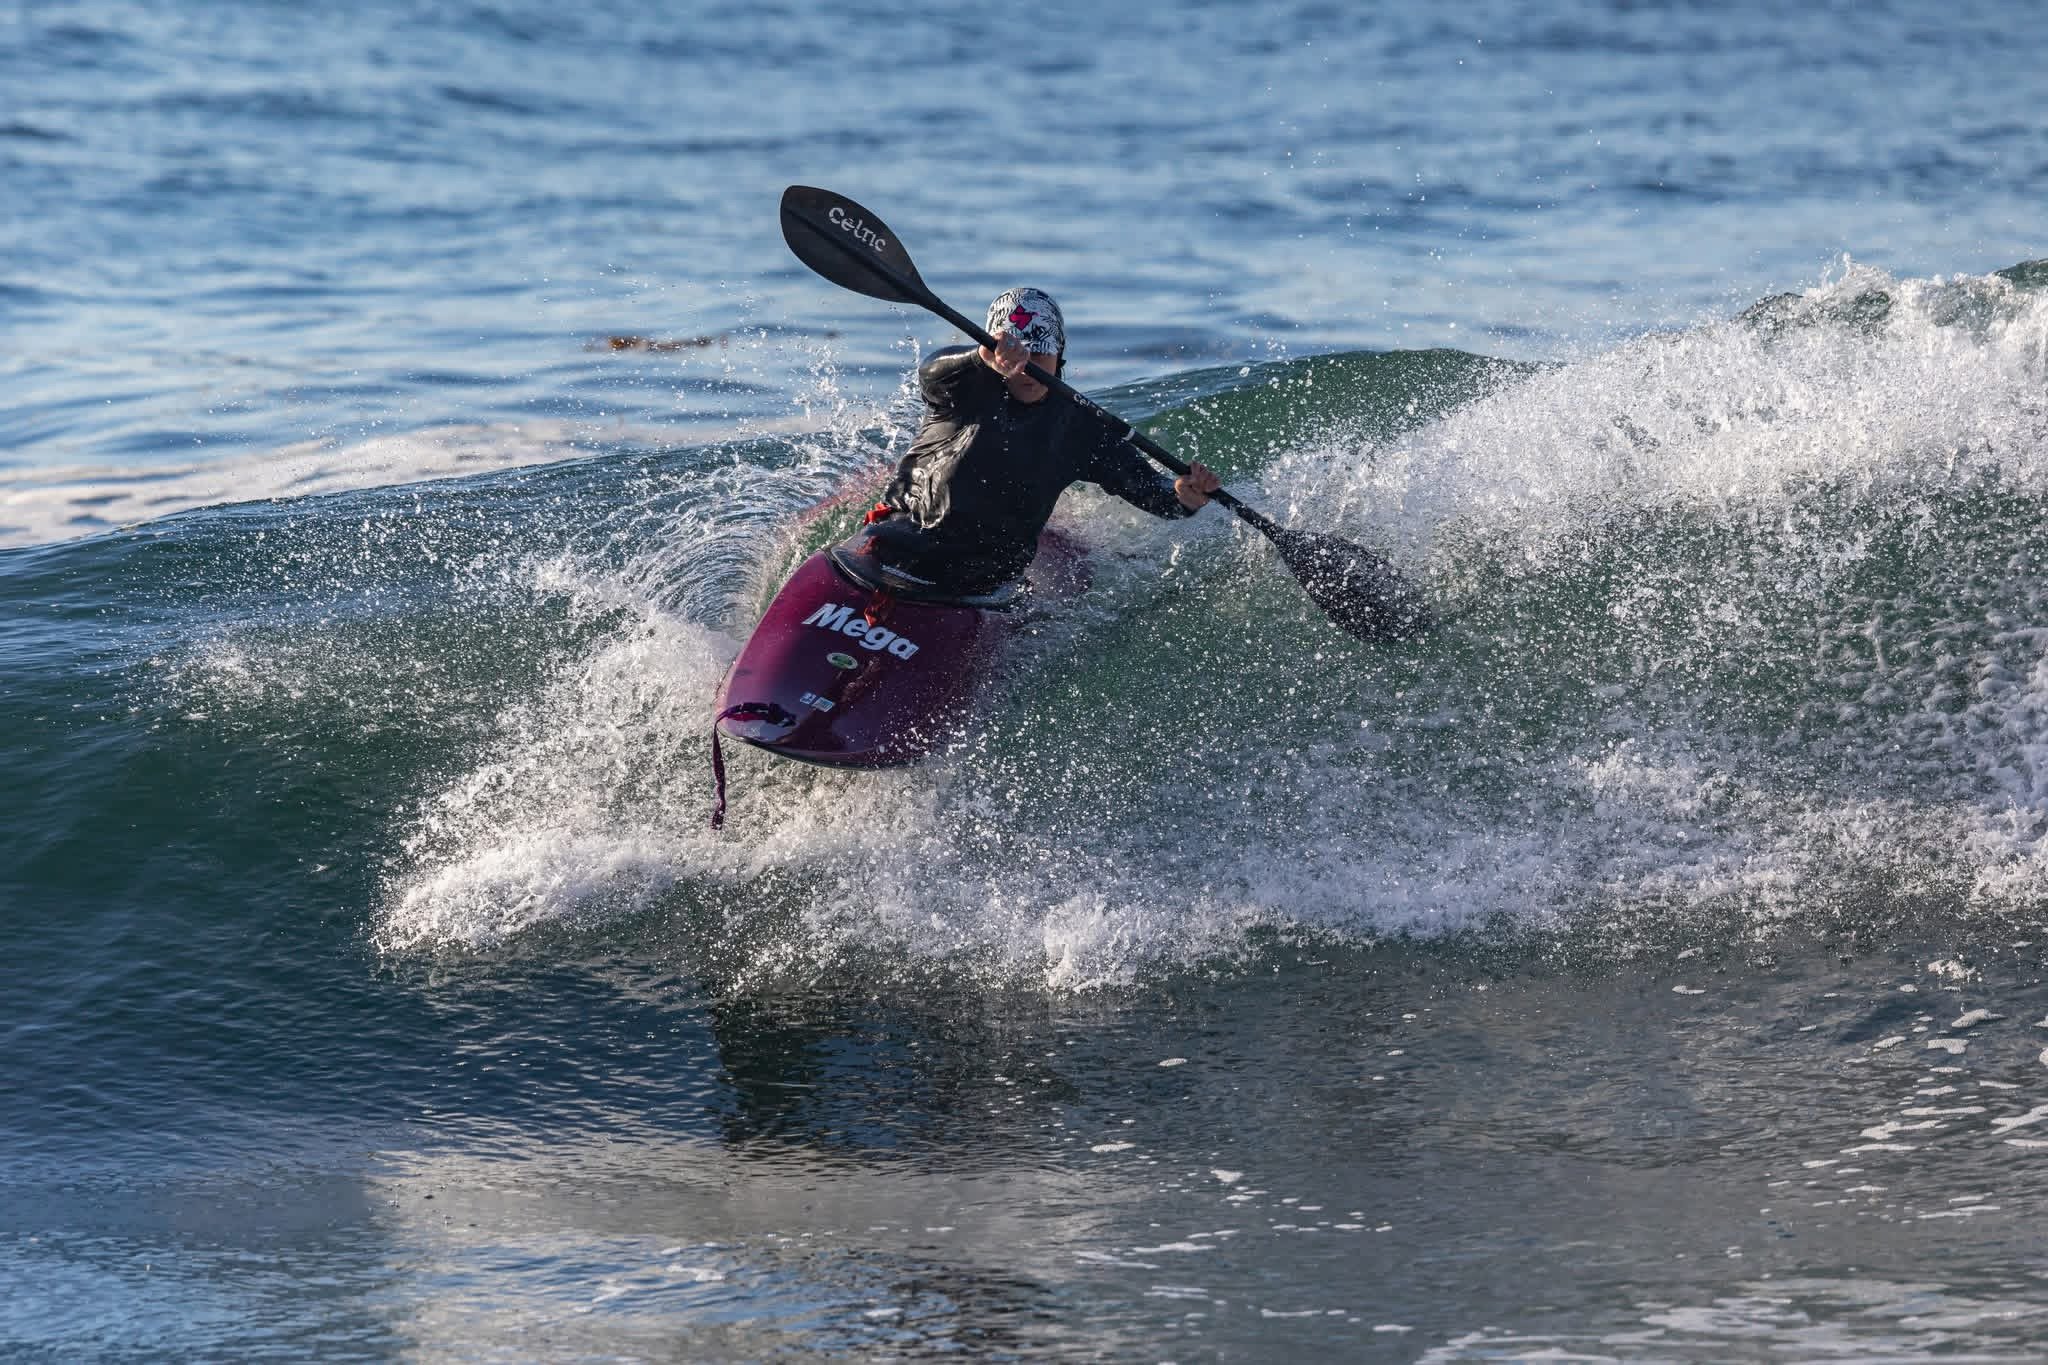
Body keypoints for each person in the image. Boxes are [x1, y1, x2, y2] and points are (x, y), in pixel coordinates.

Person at [841, 287, 1221, 600]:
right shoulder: (965, 388)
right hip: (886, 555)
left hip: (979, 588)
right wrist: (980, 358)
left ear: (1059, 353)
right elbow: (931, 372)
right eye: (1015, 355)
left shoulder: (1080, 427)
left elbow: (1149, 489)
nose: (1028, 368)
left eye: (1039, 354)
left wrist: (1182, 497)